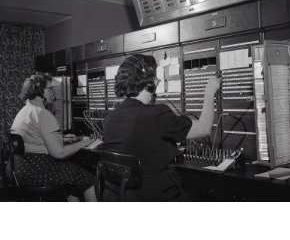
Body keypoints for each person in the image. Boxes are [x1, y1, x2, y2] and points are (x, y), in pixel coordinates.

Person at [103, 54, 220, 201]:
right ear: (150, 83)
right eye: (155, 77)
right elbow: (203, 128)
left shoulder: (110, 118)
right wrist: (210, 92)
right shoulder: (157, 114)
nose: (158, 80)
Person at [10, 72, 97, 201]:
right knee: (89, 178)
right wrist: (85, 142)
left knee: (72, 181)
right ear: (39, 91)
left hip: (20, 169)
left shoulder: (24, 111)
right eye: (50, 89)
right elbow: (59, 153)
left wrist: (62, 139)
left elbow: (33, 139)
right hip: (38, 170)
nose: (54, 94)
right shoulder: (43, 114)